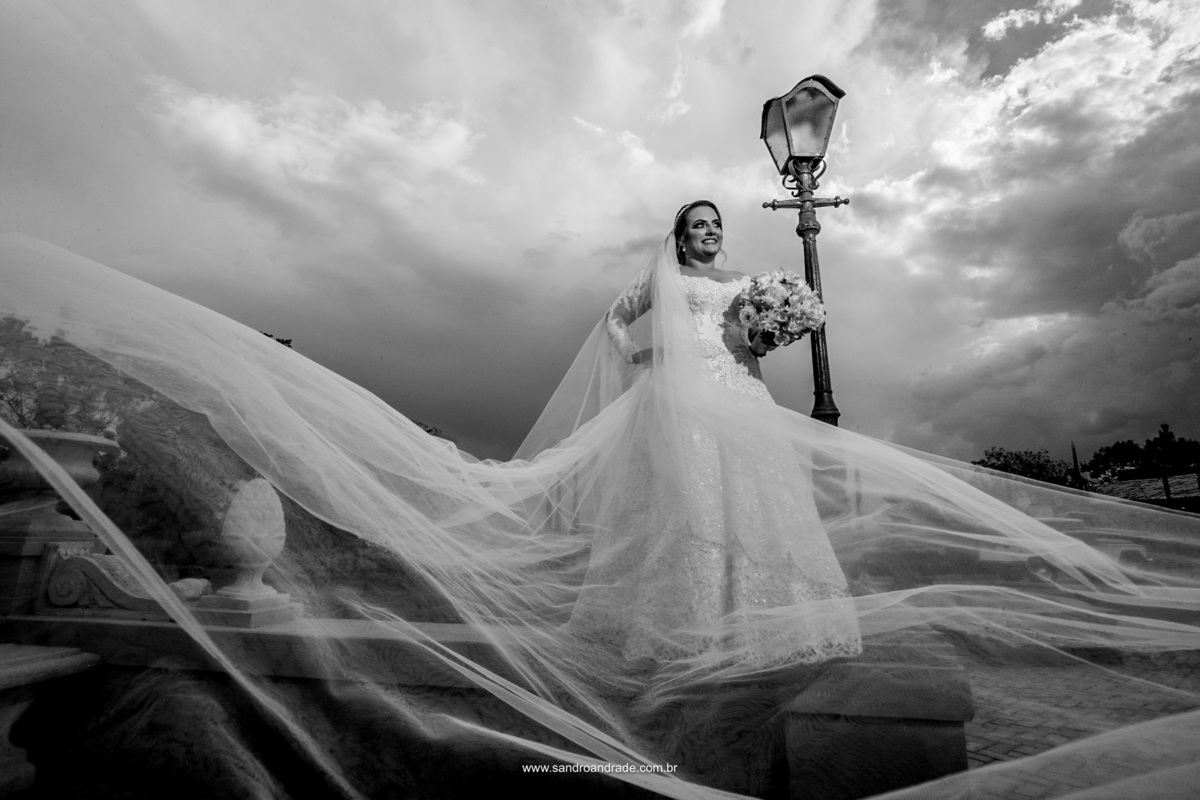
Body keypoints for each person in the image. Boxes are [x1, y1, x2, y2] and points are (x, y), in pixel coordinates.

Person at [3, 222, 1200, 799]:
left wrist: (769, 327)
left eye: (715, 232)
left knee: (765, 517)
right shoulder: (644, 290)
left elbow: (746, 346)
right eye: (696, 230)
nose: (707, 240)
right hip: (682, 414)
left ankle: (775, 627)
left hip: (735, 404)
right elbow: (624, 349)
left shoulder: (740, 290)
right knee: (693, 524)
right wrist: (661, 372)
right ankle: (685, 629)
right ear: (675, 234)